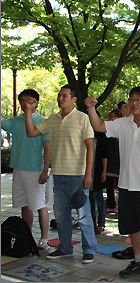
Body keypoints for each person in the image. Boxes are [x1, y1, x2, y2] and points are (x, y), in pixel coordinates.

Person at [85, 87, 140, 282]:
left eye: (139, 100)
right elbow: (98, 126)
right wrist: (91, 108)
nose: (134, 103)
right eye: (132, 99)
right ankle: (138, 261)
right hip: (125, 186)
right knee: (133, 227)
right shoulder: (122, 123)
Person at [24, 84, 97, 264]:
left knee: (84, 215)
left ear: (74, 99)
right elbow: (31, 131)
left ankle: (89, 250)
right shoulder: (53, 119)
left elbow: (90, 147)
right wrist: (27, 111)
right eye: (59, 95)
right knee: (62, 215)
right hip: (58, 174)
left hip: (78, 175)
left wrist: (88, 174)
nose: (60, 98)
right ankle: (65, 248)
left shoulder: (82, 118)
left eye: (65, 96)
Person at [1, 89, 50, 250]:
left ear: (36, 102)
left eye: (28, 100)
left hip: (35, 170)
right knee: (25, 205)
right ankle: (27, 236)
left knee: (39, 204)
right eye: (22, 100)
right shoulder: (15, 121)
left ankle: (44, 239)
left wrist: (45, 171)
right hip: (18, 168)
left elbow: (47, 149)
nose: (24, 103)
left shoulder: (43, 122)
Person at [104, 110, 121, 213]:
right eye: (112, 117)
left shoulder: (122, 130)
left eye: (116, 117)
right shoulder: (107, 131)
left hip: (119, 162)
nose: (114, 119)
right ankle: (111, 204)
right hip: (110, 162)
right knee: (109, 186)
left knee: (120, 187)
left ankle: (121, 206)